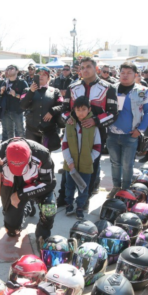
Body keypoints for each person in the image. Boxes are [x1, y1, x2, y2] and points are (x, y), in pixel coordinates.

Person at [60, 57, 118, 203]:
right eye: (82, 67)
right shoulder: (72, 87)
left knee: (91, 166)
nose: (85, 70)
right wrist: (68, 119)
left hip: (96, 134)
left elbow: (113, 113)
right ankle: (65, 197)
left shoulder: (108, 88)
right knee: (69, 164)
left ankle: (85, 199)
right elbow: (63, 110)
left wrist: (95, 121)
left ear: (95, 68)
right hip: (73, 134)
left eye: (88, 67)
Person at [0, 138, 56, 240]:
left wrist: (21, 194)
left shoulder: (42, 154)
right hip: (12, 187)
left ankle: (43, 231)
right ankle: (27, 205)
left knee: (49, 207)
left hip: (35, 184)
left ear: (30, 156)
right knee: (12, 231)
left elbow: (49, 183)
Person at [107, 62, 148, 196]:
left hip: (130, 135)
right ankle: (116, 187)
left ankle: (125, 189)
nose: (125, 76)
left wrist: (140, 130)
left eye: (129, 73)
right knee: (115, 163)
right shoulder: (111, 89)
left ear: (135, 75)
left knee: (127, 165)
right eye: (122, 73)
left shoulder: (142, 91)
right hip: (112, 135)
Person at [61, 97, 101, 219]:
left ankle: (80, 207)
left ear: (89, 109)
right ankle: (69, 205)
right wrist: (69, 161)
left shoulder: (93, 126)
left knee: (84, 187)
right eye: (78, 110)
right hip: (70, 164)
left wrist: (89, 159)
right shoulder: (69, 125)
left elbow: (98, 146)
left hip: (86, 164)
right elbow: (64, 145)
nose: (81, 112)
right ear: (74, 110)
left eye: (84, 109)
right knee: (69, 186)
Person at [21, 66, 64, 151]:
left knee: (46, 157)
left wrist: (52, 111)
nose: (41, 76)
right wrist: (31, 91)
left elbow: (62, 106)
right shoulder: (27, 90)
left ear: (48, 78)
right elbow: (23, 105)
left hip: (48, 131)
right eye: (39, 74)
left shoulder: (55, 91)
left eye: (44, 74)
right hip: (31, 130)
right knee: (33, 157)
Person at [0, 65, 28, 141]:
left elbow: (27, 97)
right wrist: (1, 92)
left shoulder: (22, 82)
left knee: (20, 132)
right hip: (6, 111)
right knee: (8, 133)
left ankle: (22, 148)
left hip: (17, 111)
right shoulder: (4, 82)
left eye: (11, 68)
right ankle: (10, 149)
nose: (9, 70)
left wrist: (16, 95)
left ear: (17, 71)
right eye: (8, 68)